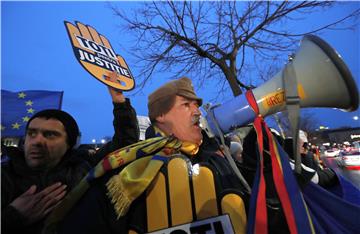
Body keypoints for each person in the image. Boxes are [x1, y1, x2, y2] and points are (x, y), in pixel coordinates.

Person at [48, 77, 359, 234]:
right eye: (186, 105)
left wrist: (274, 169)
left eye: (197, 104)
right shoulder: (127, 166)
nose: (197, 110)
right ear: (160, 117)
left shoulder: (221, 159)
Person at [1, 74, 139, 234]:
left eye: (50, 134)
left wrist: (119, 101)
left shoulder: (85, 167)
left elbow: (125, 145)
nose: (37, 141)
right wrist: (11, 218)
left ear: (70, 144)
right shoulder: (5, 176)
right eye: (32, 133)